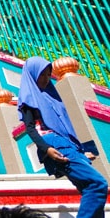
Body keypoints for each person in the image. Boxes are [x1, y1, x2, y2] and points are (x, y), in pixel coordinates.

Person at [18, 56, 108, 218]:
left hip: (66, 145)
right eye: (42, 75)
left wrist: (80, 151)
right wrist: (47, 149)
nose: (46, 79)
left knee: (90, 189)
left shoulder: (51, 96)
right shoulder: (28, 99)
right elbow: (30, 129)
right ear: (32, 75)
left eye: (48, 74)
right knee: (97, 184)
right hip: (53, 144)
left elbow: (65, 127)